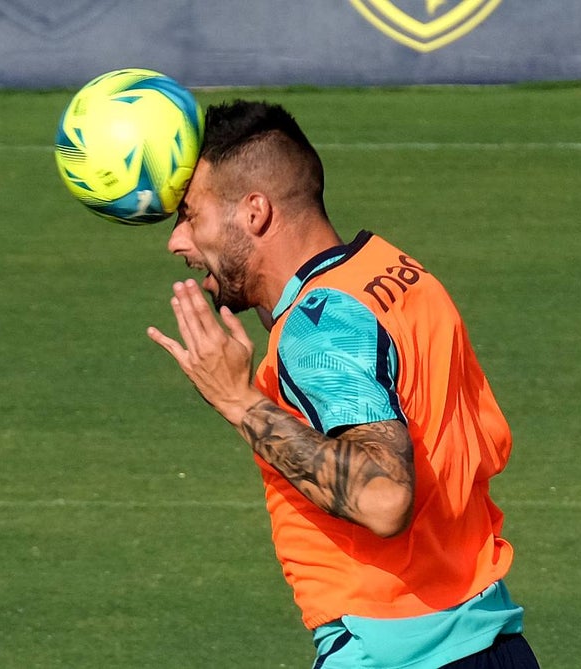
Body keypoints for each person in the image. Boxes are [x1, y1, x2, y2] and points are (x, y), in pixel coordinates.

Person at [146, 100, 540, 669]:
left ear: (254, 212)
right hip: (492, 641)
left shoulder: (319, 326)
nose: (177, 241)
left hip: (396, 653)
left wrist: (238, 401)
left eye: (191, 215)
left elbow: (384, 500)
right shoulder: (396, 273)